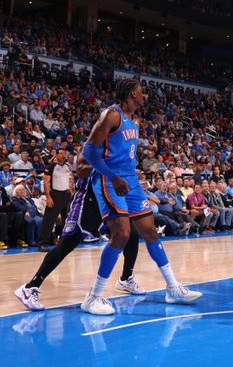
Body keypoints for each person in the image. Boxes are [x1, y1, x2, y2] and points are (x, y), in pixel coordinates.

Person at [80, 78, 200, 315]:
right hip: (109, 179)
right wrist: (112, 176)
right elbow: (88, 151)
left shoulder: (134, 121)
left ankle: (173, 288)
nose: (144, 96)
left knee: (150, 231)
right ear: (133, 93)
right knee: (122, 234)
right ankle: (93, 297)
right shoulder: (111, 115)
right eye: (142, 92)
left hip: (131, 181)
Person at [14, 155, 144, 312]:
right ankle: (30, 287)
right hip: (87, 201)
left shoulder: (119, 148)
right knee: (66, 245)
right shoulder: (94, 145)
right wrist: (108, 168)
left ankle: (125, 278)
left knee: (131, 234)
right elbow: (81, 171)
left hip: (109, 201)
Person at [38, 149, 74, 251]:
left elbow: (70, 179)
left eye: (65, 154)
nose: (63, 155)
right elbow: (46, 183)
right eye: (61, 154)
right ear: (56, 155)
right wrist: (48, 197)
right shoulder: (51, 167)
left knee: (67, 220)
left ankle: (65, 242)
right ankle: (43, 243)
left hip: (66, 195)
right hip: (55, 195)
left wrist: (71, 190)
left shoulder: (67, 166)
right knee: (49, 220)